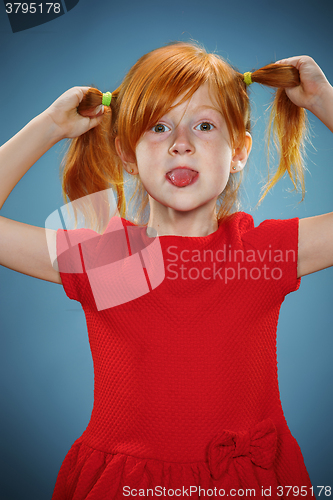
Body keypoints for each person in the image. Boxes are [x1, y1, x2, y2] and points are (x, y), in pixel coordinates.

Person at [0, 42, 332, 499]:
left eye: (204, 125)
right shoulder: (111, 261)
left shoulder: (260, 255)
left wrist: (321, 99)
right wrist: (49, 127)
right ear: (128, 155)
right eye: (159, 127)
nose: (181, 143)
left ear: (238, 151)